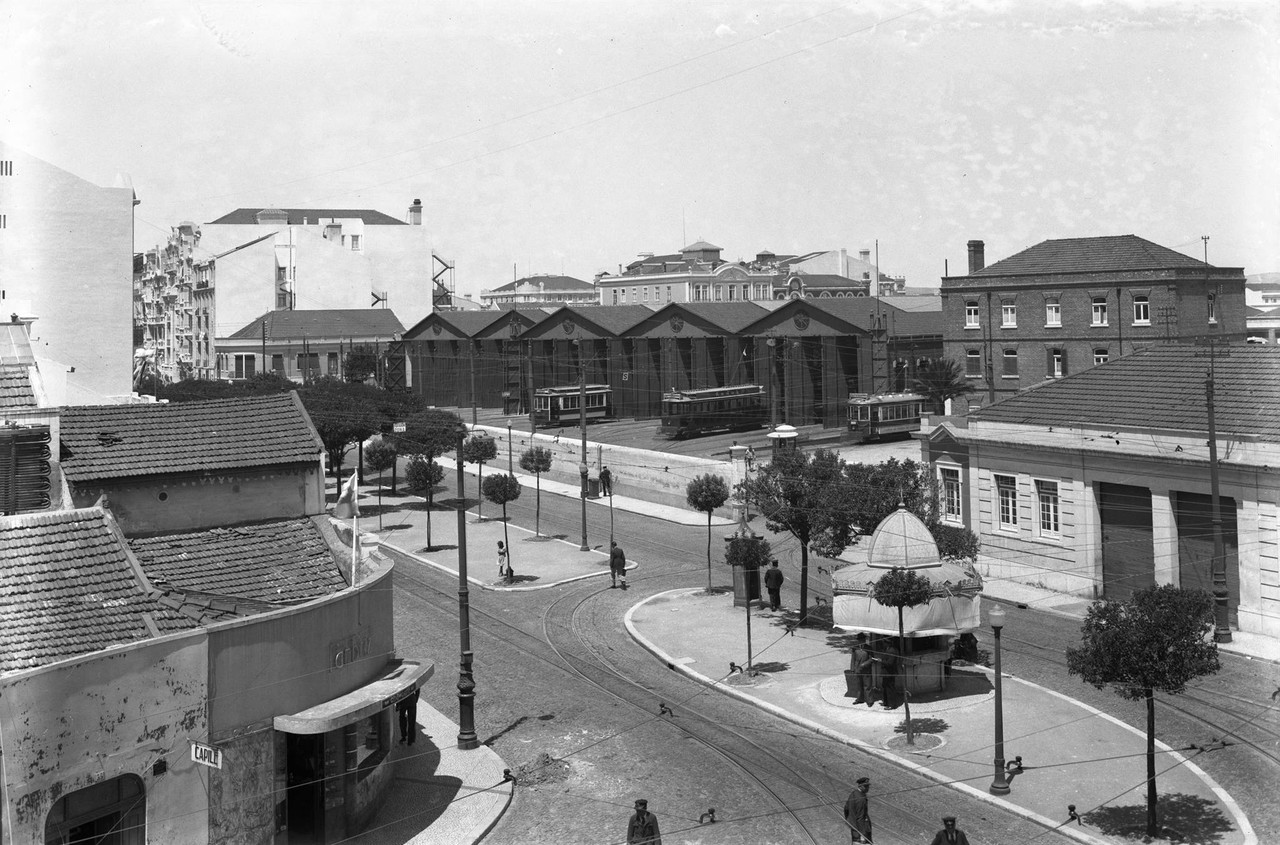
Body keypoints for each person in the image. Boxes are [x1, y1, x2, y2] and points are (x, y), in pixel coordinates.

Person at [849, 633, 875, 706]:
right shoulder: (855, 648)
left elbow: (871, 659)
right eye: (860, 640)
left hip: (866, 670)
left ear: (865, 640)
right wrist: (852, 669)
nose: (861, 641)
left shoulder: (869, 648)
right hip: (858, 670)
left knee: (867, 686)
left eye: (863, 640)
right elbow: (853, 659)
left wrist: (864, 664)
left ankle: (869, 701)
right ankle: (860, 699)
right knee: (859, 685)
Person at [844, 777, 872, 843]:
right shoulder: (861, 799)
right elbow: (860, 817)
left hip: (851, 826)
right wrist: (863, 835)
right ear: (861, 786)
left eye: (868, 786)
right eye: (866, 786)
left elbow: (846, 808)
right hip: (859, 830)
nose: (868, 788)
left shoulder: (853, 793)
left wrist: (849, 819)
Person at [878, 640, 901, 710]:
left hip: (890, 673)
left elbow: (890, 663)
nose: (883, 644)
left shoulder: (892, 651)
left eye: (884, 643)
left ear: (887, 643)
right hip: (886, 673)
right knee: (884, 687)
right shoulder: (887, 649)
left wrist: (881, 661)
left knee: (890, 689)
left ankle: (892, 704)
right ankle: (886, 702)